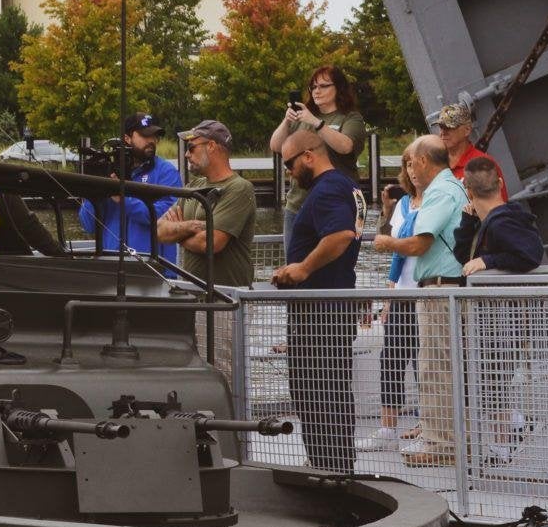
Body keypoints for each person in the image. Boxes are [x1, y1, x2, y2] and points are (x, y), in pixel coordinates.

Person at [269, 131, 363, 473]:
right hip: (334, 305)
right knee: (332, 388)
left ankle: (328, 465)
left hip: (320, 312)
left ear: (309, 155)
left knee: (315, 389)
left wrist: (302, 268)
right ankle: (335, 462)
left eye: (290, 164)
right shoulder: (346, 185)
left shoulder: (326, 190)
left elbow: (340, 235)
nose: (290, 173)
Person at [369, 138, 463, 467]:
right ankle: (443, 440)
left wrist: (385, 242)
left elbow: (420, 244)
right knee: (439, 367)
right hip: (444, 287)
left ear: (423, 161)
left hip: (439, 289)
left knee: (434, 368)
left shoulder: (438, 191)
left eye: (412, 163)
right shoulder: (454, 187)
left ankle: (440, 447)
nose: (410, 170)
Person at [157, 119, 257, 375]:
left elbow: (211, 242)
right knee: (195, 376)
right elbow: (159, 230)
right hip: (192, 299)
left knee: (223, 377)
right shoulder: (192, 188)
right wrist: (193, 227)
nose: (187, 154)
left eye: (192, 147)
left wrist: (179, 231)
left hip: (224, 302)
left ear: (211, 146)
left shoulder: (239, 189)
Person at [460, 163, 543, 464]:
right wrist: (467, 224)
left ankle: (503, 444)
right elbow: (463, 255)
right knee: (490, 377)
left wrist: (488, 260)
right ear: (500, 182)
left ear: (469, 190)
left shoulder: (502, 221)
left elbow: (530, 254)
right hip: (492, 317)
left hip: (499, 318)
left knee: (494, 377)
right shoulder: (490, 221)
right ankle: (515, 424)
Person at [368, 141, 424, 451]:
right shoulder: (403, 205)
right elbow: (395, 254)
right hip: (402, 292)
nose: (413, 171)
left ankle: (427, 423)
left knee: (423, 360)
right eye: (409, 165)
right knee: (391, 357)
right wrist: (388, 297)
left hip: (425, 292)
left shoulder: (435, 201)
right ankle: (386, 428)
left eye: (418, 164)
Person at [270, 66, 369, 231]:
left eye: (323, 86)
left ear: (339, 88)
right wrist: (287, 121)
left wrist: (316, 122)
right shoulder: (301, 117)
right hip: (298, 205)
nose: (317, 91)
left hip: (335, 204)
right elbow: (275, 146)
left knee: (334, 257)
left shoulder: (351, 117)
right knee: (296, 257)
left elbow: (345, 147)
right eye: (313, 87)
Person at [78, 112, 180, 261]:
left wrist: (123, 198)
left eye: (154, 136)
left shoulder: (166, 172)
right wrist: (96, 191)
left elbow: (163, 218)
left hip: (154, 270)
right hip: (111, 267)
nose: (151, 141)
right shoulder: (111, 172)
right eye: (145, 135)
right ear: (127, 138)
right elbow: (88, 225)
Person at [430, 101, 502, 186]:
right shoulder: (435, 164)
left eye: (449, 127)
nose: (443, 132)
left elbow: (497, 199)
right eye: (441, 127)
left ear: (467, 130)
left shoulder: (484, 165)